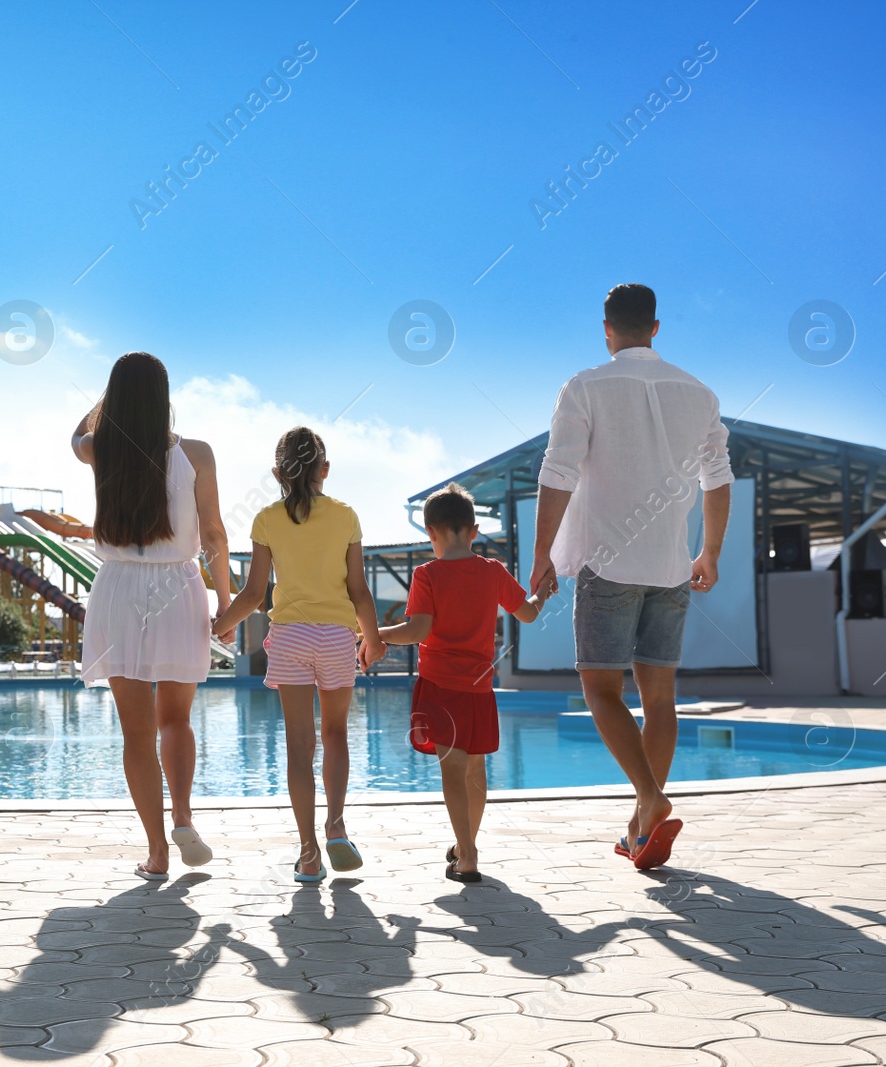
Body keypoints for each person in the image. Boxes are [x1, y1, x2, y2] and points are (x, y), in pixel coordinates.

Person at [528, 283, 732, 871]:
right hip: (671, 566)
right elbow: (717, 477)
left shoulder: (585, 385)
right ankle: (642, 828)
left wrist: (542, 554)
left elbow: (558, 469)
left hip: (607, 563)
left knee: (600, 690)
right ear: (657, 328)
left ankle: (650, 798)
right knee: (659, 698)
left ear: (607, 328)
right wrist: (710, 552)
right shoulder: (698, 393)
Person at [73, 352, 232, 880]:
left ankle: (157, 852)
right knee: (176, 719)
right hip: (180, 585)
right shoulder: (198, 453)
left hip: (117, 589)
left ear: (113, 398)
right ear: (166, 397)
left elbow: (75, 433)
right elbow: (213, 535)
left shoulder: (99, 449)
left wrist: (107, 402)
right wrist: (226, 601)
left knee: (136, 734)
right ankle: (184, 817)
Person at [212, 427, 385, 883]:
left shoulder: (266, 519)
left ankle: (309, 855)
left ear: (276, 473)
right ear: (325, 470)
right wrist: (373, 639)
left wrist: (220, 626)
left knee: (298, 746)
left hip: (289, 637)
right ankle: (337, 824)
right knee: (336, 735)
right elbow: (359, 590)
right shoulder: (346, 516)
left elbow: (253, 594)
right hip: (335, 637)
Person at [378, 483, 544, 883]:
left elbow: (417, 630)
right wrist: (543, 594)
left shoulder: (427, 574)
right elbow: (528, 614)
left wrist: (376, 634)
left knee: (451, 771)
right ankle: (465, 846)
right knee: (475, 772)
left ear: (431, 533)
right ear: (473, 531)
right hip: (480, 688)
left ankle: (466, 853)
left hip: (440, 685)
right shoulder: (493, 571)